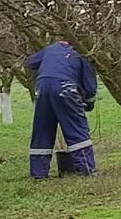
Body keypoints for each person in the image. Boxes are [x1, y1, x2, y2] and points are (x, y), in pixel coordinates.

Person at [26, 40, 98, 178]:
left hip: (42, 88)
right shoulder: (82, 54)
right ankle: (86, 169)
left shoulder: (51, 49)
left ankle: (38, 173)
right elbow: (89, 88)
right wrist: (89, 103)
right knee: (76, 127)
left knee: (42, 129)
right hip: (65, 87)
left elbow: (30, 62)